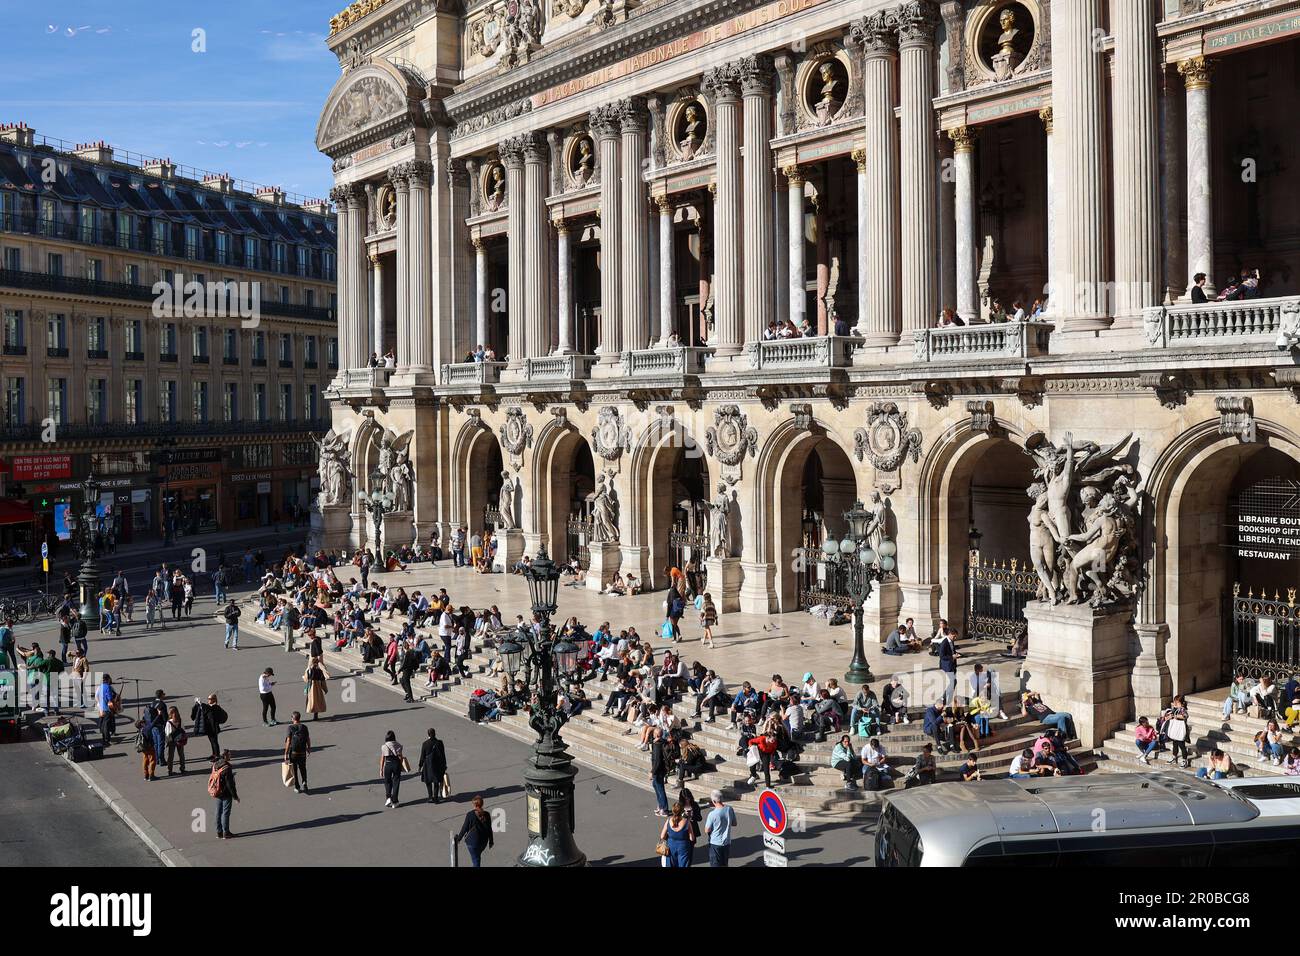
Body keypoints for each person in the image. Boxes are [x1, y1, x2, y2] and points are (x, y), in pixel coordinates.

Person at [209, 750, 239, 839]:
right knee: (225, 813)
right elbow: (230, 784)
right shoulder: (227, 767)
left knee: (218, 812)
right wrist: (235, 796)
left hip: (217, 791)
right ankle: (226, 832)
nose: (231, 756)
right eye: (229, 755)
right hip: (226, 793)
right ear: (225, 756)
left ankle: (219, 832)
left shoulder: (215, 765)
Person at [456, 795, 494, 866]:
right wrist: (491, 841)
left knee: (476, 860)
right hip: (483, 842)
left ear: (474, 805)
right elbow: (489, 828)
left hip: (472, 842)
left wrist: (458, 839)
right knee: (477, 857)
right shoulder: (487, 814)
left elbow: (465, 828)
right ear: (482, 804)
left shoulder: (470, 815)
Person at [703, 790, 736, 867]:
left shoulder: (712, 814)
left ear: (714, 801)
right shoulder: (729, 809)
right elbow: (734, 823)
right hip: (727, 842)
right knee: (724, 864)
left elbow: (707, 830)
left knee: (715, 864)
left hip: (715, 843)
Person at [192, 693, 228, 760]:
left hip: (213, 728)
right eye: (208, 698)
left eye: (210, 699)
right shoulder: (209, 706)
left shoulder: (216, 707)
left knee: (214, 742)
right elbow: (205, 710)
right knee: (212, 741)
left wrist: (201, 704)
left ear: (214, 700)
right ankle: (214, 754)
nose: (208, 700)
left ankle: (217, 755)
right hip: (209, 727)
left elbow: (209, 710)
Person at [659, 801, 695, 868]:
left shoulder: (669, 820)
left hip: (671, 846)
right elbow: (692, 838)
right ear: (682, 811)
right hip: (683, 847)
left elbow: (662, 836)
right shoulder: (687, 822)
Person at [284, 712, 311, 794]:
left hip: (293, 753)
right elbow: (308, 739)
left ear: (293, 718)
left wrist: (285, 753)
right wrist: (308, 748)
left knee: (294, 770)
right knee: (303, 768)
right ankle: (304, 782)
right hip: (302, 752)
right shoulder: (304, 727)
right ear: (299, 718)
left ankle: (297, 787)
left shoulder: (290, 728)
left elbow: (288, 741)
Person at [419, 728, 448, 804]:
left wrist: (420, 765)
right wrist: (444, 765)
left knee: (428, 781)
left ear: (428, 734)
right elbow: (443, 755)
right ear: (435, 733)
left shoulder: (425, 744)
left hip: (427, 765)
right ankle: (435, 797)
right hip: (437, 765)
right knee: (436, 781)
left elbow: (422, 756)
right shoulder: (439, 743)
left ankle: (430, 797)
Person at [380, 730, 407, 808]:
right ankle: (395, 801)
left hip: (388, 764)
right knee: (396, 782)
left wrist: (381, 769)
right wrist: (401, 765)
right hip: (396, 764)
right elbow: (400, 757)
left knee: (387, 781)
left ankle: (388, 797)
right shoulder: (398, 745)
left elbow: (382, 758)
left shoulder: (384, 746)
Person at [650, 727, 671, 816]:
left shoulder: (658, 745)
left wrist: (652, 772)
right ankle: (661, 805)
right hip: (661, 769)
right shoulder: (662, 742)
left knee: (660, 788)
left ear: (656, 734)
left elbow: (657, 760)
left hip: (658, 770)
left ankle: (664, 808)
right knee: (656, 785)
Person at [95, 673, 119, 746]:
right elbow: (110, 698)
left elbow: (96, 697)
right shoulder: (108, 687)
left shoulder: (99, 687)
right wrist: (114, 701)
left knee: (102, 723)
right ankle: (107, 739)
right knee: (106, 724)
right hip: (107, 708)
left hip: (100, 708)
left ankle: (104, 738)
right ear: (108, 679)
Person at [164, 706, 187, 775]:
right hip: (179, 739)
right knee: (181, 754)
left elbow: (168, 732)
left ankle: (169, 770)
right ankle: (182, 768)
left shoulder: (169, 722)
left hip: (172, 741)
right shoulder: (180, 720)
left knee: (170, 756)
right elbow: (183, 729)